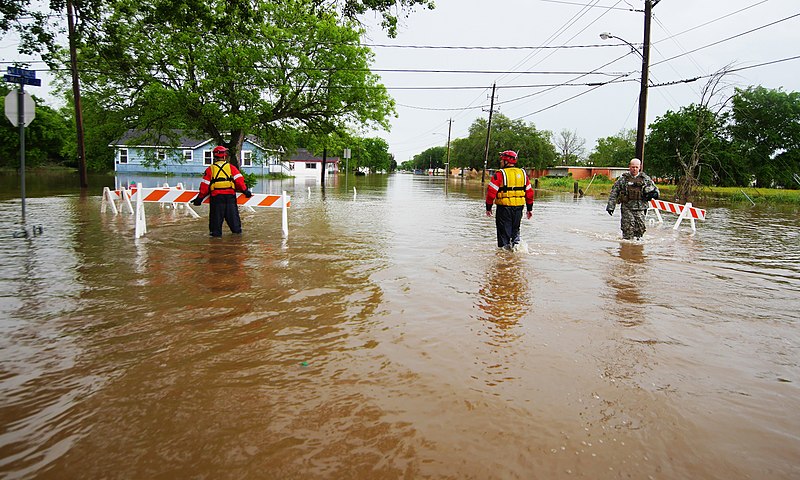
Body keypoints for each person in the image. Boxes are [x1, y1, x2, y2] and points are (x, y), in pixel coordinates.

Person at [191, 146, 253, 237]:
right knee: (235, 225)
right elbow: (239, 181)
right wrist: (245, 191)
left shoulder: (210, 169)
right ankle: (237, 245)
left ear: (214, 157)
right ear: (225, 156)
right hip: (230, 198)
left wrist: (199, 198)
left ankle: (215, 246)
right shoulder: (231, 168)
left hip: (216, 198)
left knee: (215, 226)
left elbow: (204, 186)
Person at [485, 150, 535, 249]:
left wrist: (488, 208)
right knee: (515, 232)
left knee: (504, 235)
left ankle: (505, 260)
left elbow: (491, 193)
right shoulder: (523, 174)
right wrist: (529, 209)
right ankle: (516, 252)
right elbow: (529, 193)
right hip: (519, 208)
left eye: (502, 160)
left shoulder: (500, 174)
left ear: (506, 161)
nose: (501, 162)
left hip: (504, 209)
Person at [606, 158, 659, 240]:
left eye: (636, 167)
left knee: (640, 229)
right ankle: (626, 249)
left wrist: (654, 194)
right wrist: (610, 207)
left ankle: (637, 250)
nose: (634, 169)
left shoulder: (646, 179)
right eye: (633, 167)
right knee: (628, 228)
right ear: (629, 167)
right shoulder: (623, 179)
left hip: (641, 207)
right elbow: (614, 192)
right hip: (627, 207)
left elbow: (656, 190)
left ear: (640, 167)